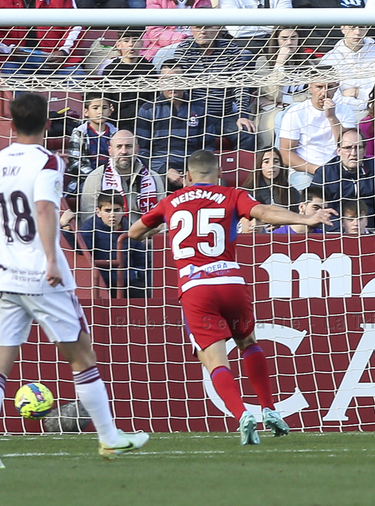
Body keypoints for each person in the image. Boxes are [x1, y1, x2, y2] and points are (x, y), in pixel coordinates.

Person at [0, 92, 148, 469]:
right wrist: (54, 260)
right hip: (41, 275)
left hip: (4, 273)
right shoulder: (48, 160)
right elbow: (43, 208)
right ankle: (109, 439)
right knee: (82, 354)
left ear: (10, 123)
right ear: (48, 125)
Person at [128, 150, 334, 444]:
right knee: (248, 342)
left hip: (195, 288)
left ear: (186, 177)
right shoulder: (231, 194)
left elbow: (135, 232)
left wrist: (162, 226)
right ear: (218, 175)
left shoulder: (170, 202)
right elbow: (264, 212)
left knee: (213, 360)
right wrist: (306, 218)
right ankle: (269, 408)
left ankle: (241, 414)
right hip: (230, 281)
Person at [136, 61, 219, 190]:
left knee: (221, 185)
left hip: (193, 171)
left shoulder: (200, 108)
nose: (172, 85)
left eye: (176, 80)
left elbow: (207, 147)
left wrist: (193, 172)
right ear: (160, 81)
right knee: (158, 185)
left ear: (185, 81)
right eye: (167, 80)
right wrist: (166, 170)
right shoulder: (148, 110)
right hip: (159, 171)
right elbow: (142, 151)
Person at [173, 25, 258, 151]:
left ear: (217, 28)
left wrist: (242, 115)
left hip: (224, 116)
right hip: (193, 115)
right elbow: (179, 86)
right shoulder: (184, 50)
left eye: (208, 27)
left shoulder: (230, 49)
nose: (203, 31)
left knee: (247, 134)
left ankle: (240, 170)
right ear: (191, 29)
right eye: (197, 27)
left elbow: (239, 84)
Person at [60, 191, 151, 297]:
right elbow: (81, 249)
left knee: (146, 294)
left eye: (116, 210)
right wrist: (66, 228)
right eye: (107, 210)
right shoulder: (90, 228)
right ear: (98, 212)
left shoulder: (131, 229)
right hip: (102, 284)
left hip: (128, 283)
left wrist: (135, 275)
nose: (112, 215)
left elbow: (142, 261)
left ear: (123, 211)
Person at [279, 80, 358, 191]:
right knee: (310, 200)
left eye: (329, 87)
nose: (324, 93)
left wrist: (332, 117)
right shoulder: (295, 112)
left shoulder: (345, 110)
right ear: (310, 87)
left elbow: (348, 146)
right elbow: (285, 154)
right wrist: (318, 170)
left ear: (336, 87)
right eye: (319, 87)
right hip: (306, 171)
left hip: (340, 170)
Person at [310, 128, 375, 230]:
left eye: (358, 148)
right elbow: (319, 208)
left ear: (364, 151)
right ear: (339, 151)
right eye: (348, 148)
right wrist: (342, 233)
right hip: (335, 231)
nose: (353, 153)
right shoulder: (325, 173)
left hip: (371, 229)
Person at [79, 129, 165, 223]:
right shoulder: (96, 177)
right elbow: (89, 219)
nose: (124, 151)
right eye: (119, 147)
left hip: (146, 235)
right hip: (109, 236)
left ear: (137, 149)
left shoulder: (154, 177)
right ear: (110, 151)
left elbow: (162, 217)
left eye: (128, 146)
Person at [320, 23, 375, 118]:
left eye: (362, 27)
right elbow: (331, 98)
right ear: (342, 28)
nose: (358, 32)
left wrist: (358, 93)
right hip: (341, 115)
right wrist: (367, 100)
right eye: (352, 28)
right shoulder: (329, 59)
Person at [66, 91, 119, 195]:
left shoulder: (116, 133)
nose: (100, 112)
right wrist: (96, 178)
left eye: (104, 108)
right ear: (86, 112)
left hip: (113, 180)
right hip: (85, 182)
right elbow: (76, 164)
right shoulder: (80, 133)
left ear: (110, 110)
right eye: (95, 108)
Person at [241, 147, 298, 215]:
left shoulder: (290, 190)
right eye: (266, 162)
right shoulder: (248, 191)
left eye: (276, 161)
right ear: (259, 165)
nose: (272, 166)